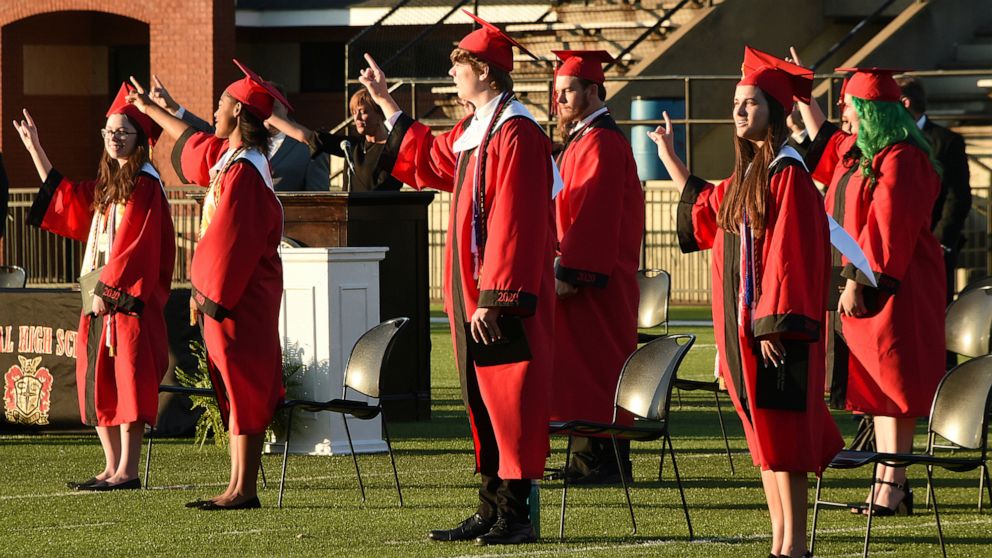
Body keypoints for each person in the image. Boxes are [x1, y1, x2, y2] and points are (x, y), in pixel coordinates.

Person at [358, 10, 557, 545]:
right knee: (483, 397)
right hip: (475, 291)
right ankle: (491, 507)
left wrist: (497, 297)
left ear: (487, 73)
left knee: (509, 397)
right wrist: (384, 102)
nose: (452, 76)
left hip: (503, 296)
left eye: (459, 67)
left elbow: (517, 221)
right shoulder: (478, 130)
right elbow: (430, 155)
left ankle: (515, 515)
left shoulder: (517, 133)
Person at [648, 46, 843, 558]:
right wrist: (670, 157)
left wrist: (776, 325)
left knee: (785, 441)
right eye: (736, 102)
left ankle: (795, 545)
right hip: (749, 334)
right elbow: (708, 209)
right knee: (765, 442)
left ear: (775, 112)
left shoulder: (790, 176)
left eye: (750, 103)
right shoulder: (752, 174)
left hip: (778, 332)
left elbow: (792, 258)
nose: (738, 112)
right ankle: (780, 543)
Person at [128, 60, 286, 510]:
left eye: (220, 105)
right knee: (233, 386)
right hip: (226, 297)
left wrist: (208, 294)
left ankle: (246, 488)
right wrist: (150, 108)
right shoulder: (230, 160)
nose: (213, 112)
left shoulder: (246, 173)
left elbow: (230, 241)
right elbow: (192, 141)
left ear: (238, 113)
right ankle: (236, 485)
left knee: (246, 387)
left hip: (239, 300)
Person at [794, 54, 946, 517]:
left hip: (894, 290)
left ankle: (893, 488)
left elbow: (888, 228)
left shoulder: (903, 159)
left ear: (874, 112)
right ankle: (884, 484)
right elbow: (828, 149)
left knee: (895, 391)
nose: (845, 119)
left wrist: (860, 283)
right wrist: (803, 99)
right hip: (865, 288)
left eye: (850, 109)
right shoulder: (861, 153)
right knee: (878, 391)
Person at [16, 83, 175, 491]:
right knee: (97, 380)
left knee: (129, 380)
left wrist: (109, 291)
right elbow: (67, 199)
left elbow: (136, 247)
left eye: (123, 130)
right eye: (109, 131)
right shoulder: (110, 186)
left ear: (140, 139)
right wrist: (36, 149)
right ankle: (110, 466)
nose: (114, 137)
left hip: (127, 303)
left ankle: (129, 470)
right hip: (98, 300)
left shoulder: (145, 185)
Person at [548, 50, 644, 485]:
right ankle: (584, 457)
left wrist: (572, 271)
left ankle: (604, 462)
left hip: (599, 280)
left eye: (568, 91)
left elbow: (595, 215)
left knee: (599, 368)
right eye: (557, 92)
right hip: (588, 272)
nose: (560, 100)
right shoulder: (585, 138)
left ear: (593, 90)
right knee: (579, 368)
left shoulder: (602, 141)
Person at [147, 75, 330, 192]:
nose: (266, 113)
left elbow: (318, 198)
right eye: (260, 108)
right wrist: (172, 108)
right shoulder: (239, 143)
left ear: (284, 107)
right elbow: (207, 133)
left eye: (272, 107)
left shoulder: (307, 148)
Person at [897, 76, 972, 314]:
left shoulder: (947, 141)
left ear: (905, 102)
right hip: (899, 249)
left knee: (936, 318)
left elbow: (957, 196)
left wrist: (938, 243)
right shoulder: (892, 140)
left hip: (933, 249)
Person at [267, 89, 404, 192]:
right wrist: (270, 116)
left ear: (379, 113)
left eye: (363, 112)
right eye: (354, 113)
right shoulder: (352, 146)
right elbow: (311, 137)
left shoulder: (394, 148)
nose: (357, 119)